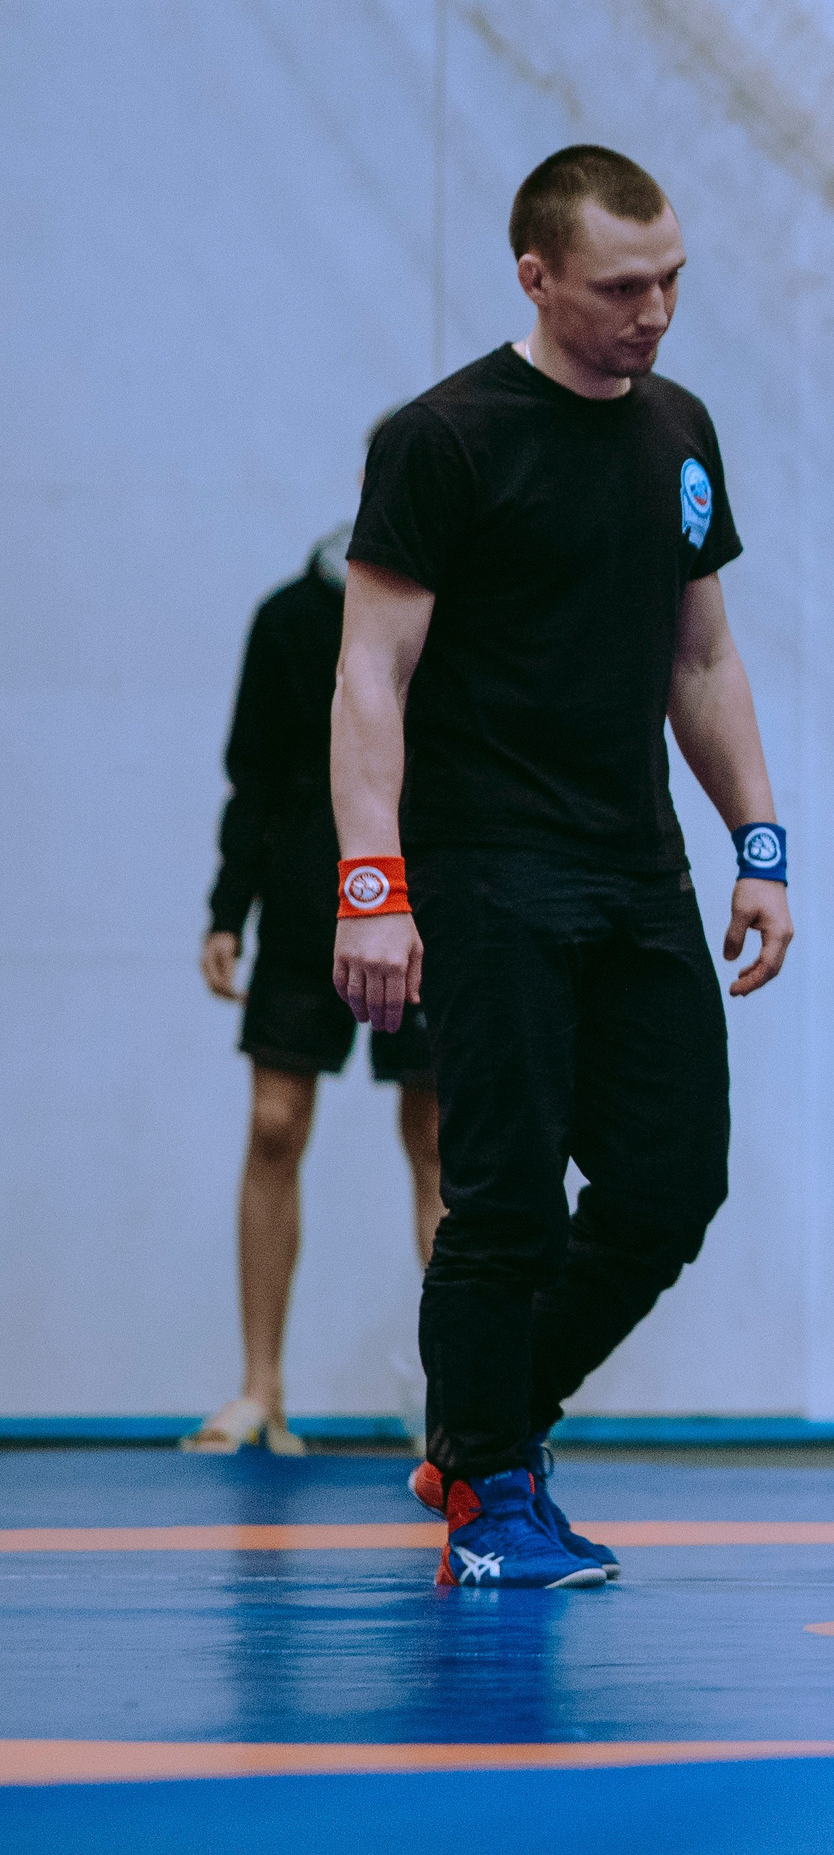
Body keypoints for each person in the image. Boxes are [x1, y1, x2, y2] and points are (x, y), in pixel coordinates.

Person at [333, 145, 793, 1590]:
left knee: (672, 1186)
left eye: (670, 281)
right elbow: (368, 677)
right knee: (511, 1200)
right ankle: (490, 1493)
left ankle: (485, 1430)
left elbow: (702, 656)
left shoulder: (681, 431)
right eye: (621, 287)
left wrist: (759, 848)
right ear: (537, 277)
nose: (654, 312)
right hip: (485, 873)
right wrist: (373, 887)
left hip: (633, 870)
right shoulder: (443, 439)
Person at [189, 517, 442, 1456]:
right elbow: (250, 775)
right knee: (274, 1123)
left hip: (429, 898)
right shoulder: (292, 617)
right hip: (303, 902)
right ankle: (261, 1389)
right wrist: (227, 910)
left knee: (440, 1133)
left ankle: (456, 1402)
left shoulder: (462, 616)